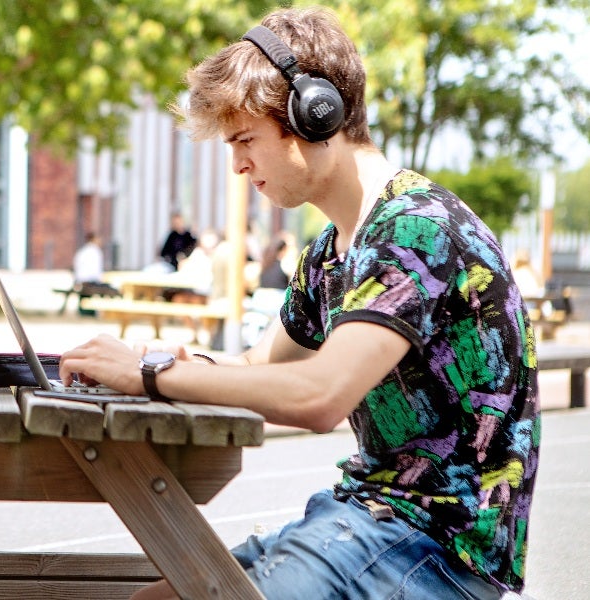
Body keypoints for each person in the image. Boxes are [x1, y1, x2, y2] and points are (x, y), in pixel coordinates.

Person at [60, 7, 538, 599]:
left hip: (435, 549)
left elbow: (319, 396)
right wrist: (138, 361)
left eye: (244, 140)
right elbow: (263, 366)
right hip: (366, 523)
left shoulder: (417, 230)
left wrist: (154, 377)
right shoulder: (331, 253)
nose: (237, 164)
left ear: (316, 117)